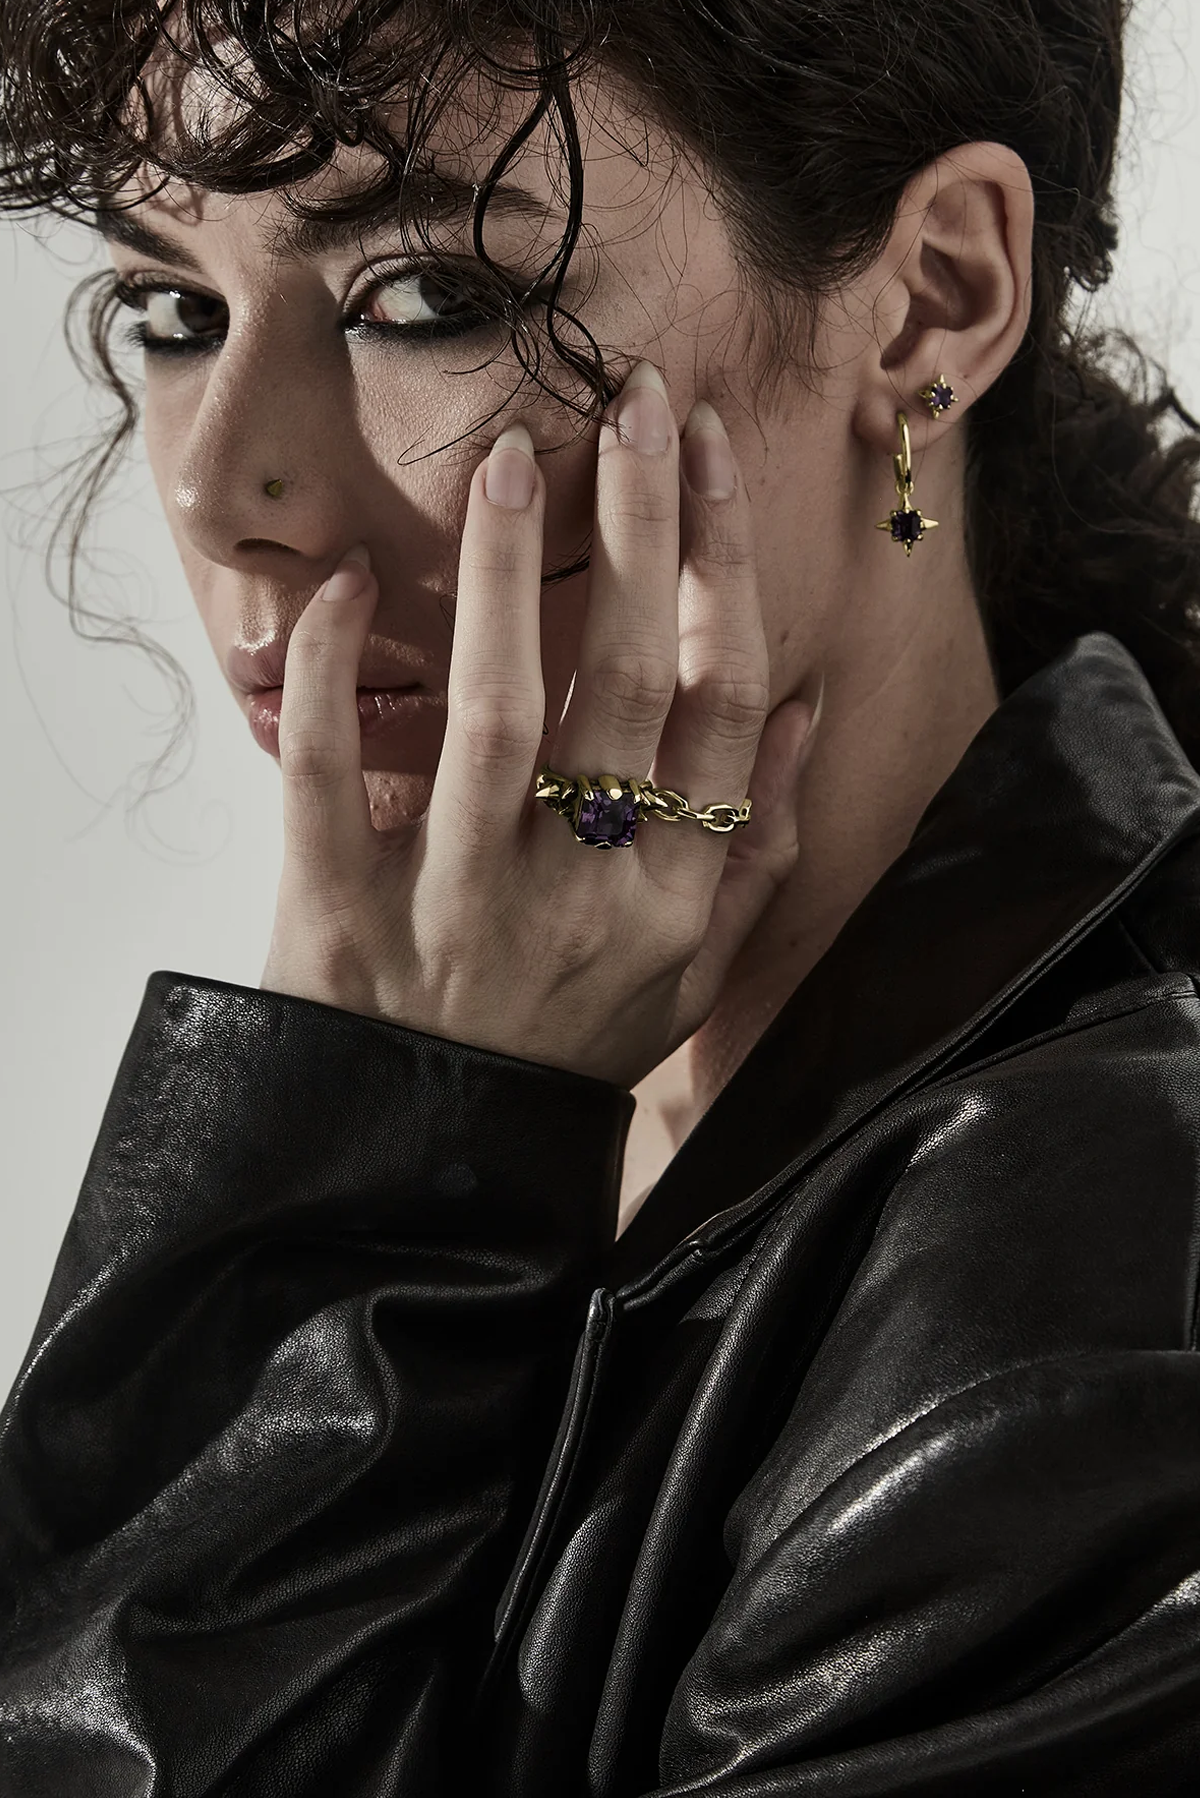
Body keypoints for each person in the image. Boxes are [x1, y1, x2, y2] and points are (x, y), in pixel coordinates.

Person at [4, 0, 1200, 1790]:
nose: (216, 482)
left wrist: (367, 1172)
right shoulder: (560, 1086)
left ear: (933, 304)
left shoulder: (1091, 1290)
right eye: (172, 311)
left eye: (427, 297)